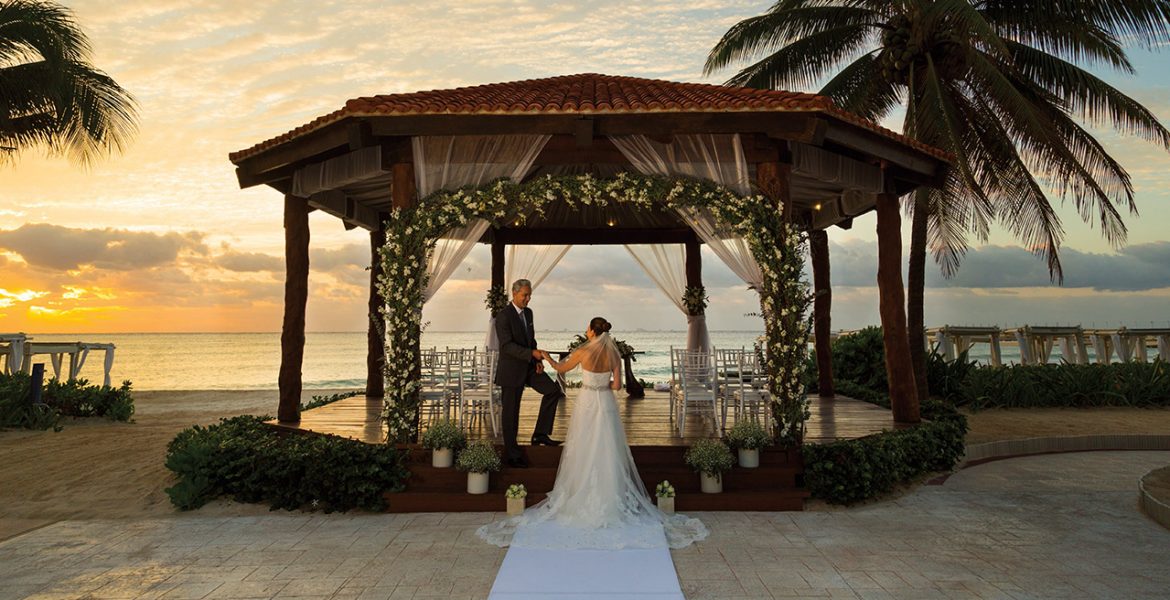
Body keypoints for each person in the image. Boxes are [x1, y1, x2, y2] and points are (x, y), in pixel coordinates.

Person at [477, 317, 708, 550]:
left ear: (591, 331)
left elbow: (560, 369)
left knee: (584, 446)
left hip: (587, 402)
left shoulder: (582, 352)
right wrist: (602, 386)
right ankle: (611, 499)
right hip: (605, 402)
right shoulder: (614, 354)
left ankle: (579, 493)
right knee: (608, 448)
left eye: (587, 328)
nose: (585, 331)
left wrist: (545, 356)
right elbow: (617, 385)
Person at [494, 278, 565, 469]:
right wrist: (531, 354)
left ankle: (540, 434)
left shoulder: (529, 314)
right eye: (525, 295)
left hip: (528, 366)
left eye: (530, 295)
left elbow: (530, 340)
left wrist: (536, 361)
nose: (528, 299)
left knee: (553, 391)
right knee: (511, 413)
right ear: (514, 293)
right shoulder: (503, 316)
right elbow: (506, 346)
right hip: (510, 371)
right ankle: (512, 454)